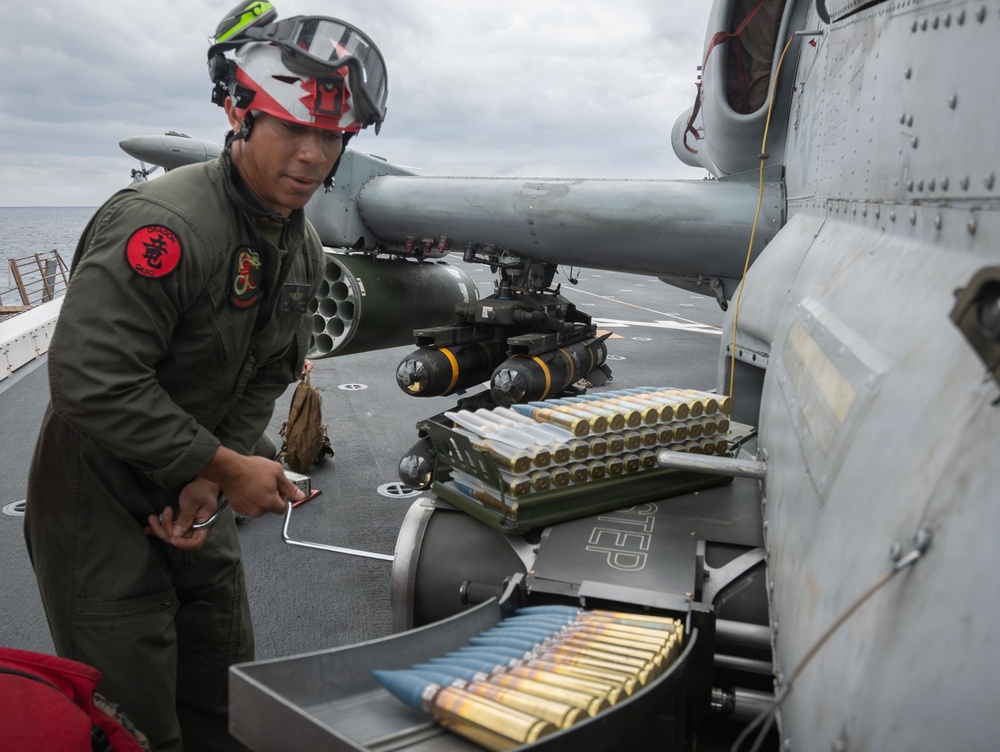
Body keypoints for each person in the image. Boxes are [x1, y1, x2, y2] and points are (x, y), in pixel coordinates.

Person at [23, 4, 387, 751]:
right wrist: (222, 465)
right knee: (133, 717)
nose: (313, 155)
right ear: (239, 115)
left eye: (331, 137)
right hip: (99, 496)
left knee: (223, 691)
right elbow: (91, 380)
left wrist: (210, 477)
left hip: (199, 482)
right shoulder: (164, 225)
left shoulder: (301, 247)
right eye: (292, 128)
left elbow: (269, 369)